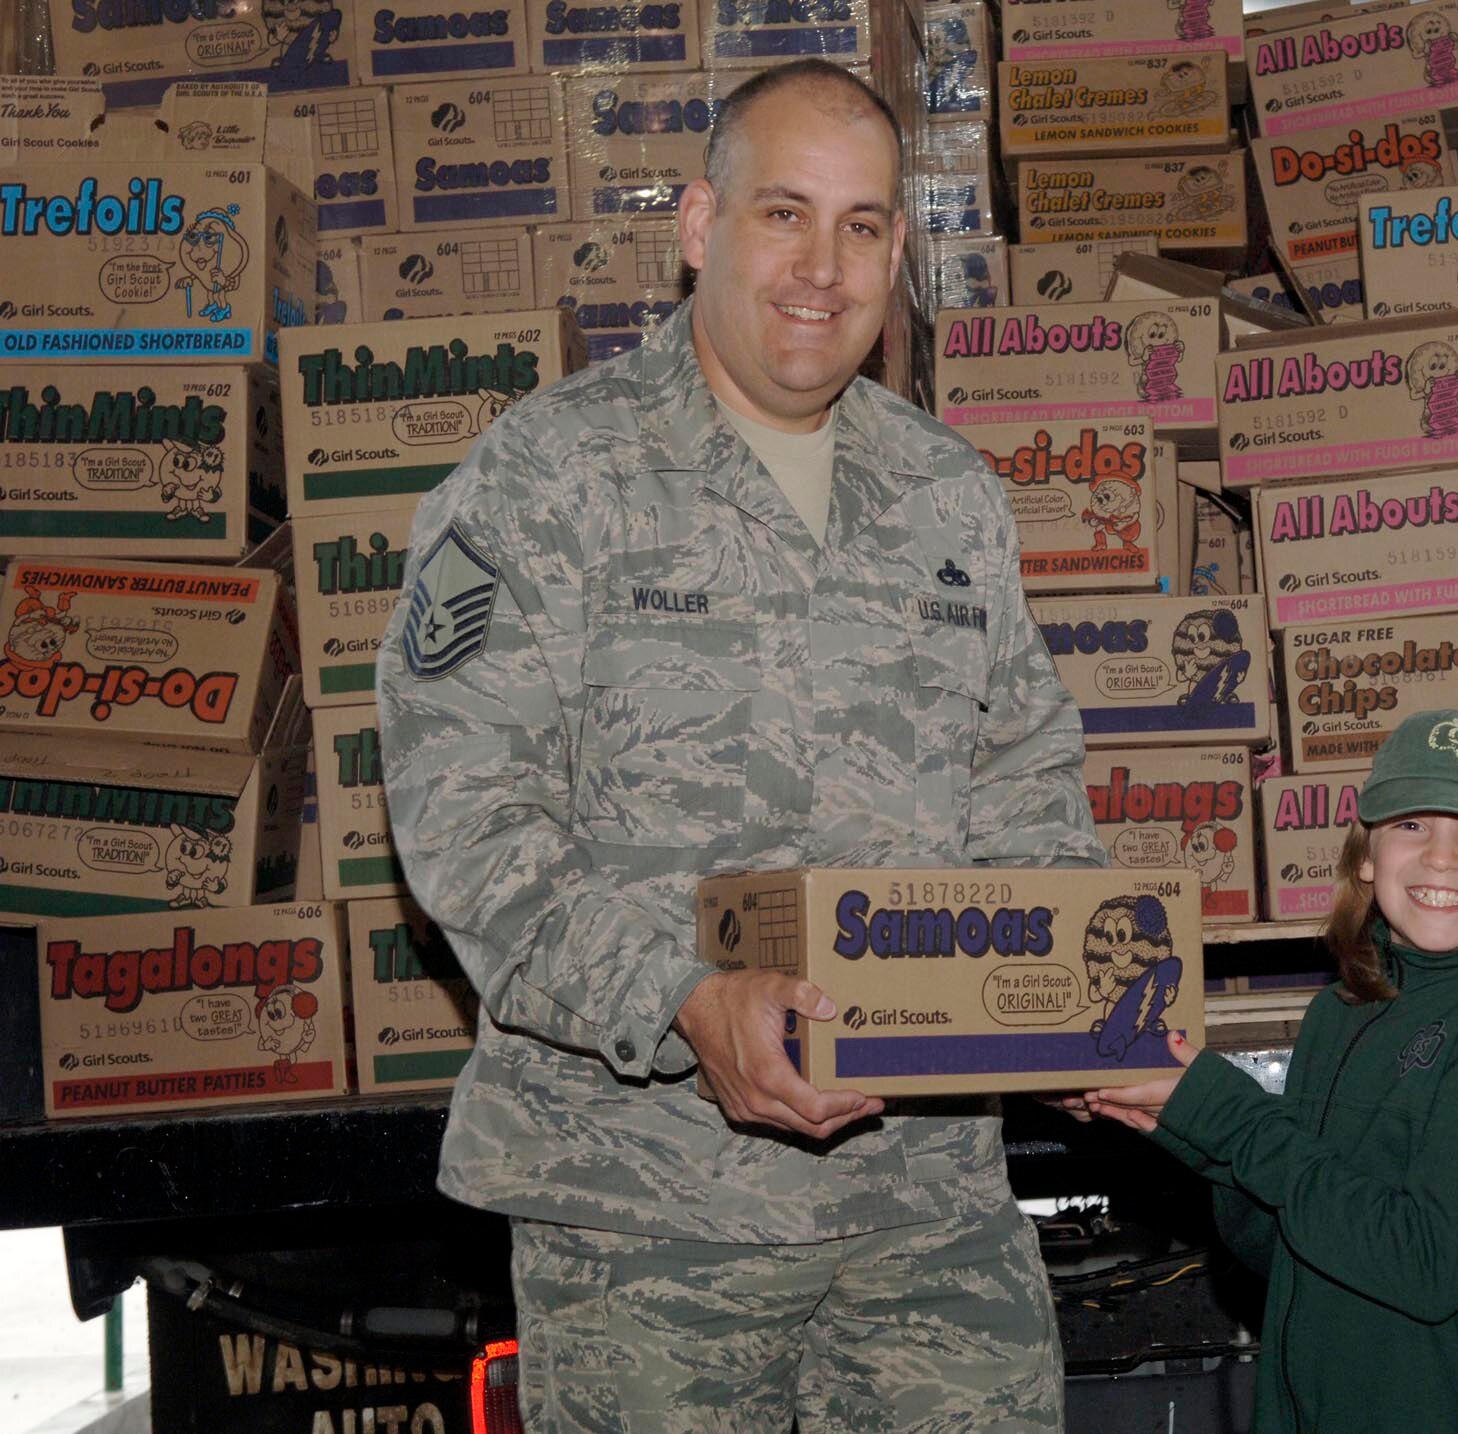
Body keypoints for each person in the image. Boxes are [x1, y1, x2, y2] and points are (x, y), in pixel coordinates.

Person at [375, 58, 1103, 1431]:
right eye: (785, 214)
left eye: (865, 226)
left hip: (927, 1209)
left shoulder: (947, 495)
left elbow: (1024, 777)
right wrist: (679, 996)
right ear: (702, 226)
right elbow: (468, 822)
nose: (823, 268)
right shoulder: (546, 479)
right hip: (650, 1215)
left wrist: (1075, 979)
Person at [1079, 710, 1458, 1432]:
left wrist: (1226, 1114)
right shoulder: (1339, 1013)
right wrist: (1182, 1124)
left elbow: (1424, 1267)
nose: (1441, 857)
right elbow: (1282, 1241)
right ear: (1366, 857)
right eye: (1412, 824)